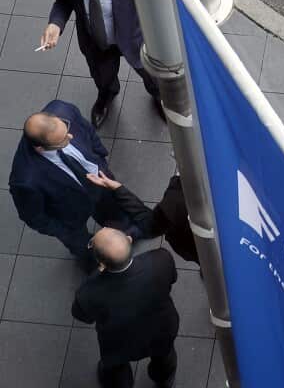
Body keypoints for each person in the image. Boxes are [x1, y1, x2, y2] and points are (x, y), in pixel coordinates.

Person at [40, 0, 159, 128]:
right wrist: (55, 23)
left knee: (153, 77)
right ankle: (106, 96)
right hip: (96, 41)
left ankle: (159, 98)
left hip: (134, 39)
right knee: (103, 78)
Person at [9, 101, 128, 271]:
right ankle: (93, 262)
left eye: (66, 130)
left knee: (115, 215)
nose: (70, 137)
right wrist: (64, 230)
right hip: (70, 216)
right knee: (83, 247)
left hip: (101, 185)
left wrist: (101, 161)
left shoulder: (64, 111)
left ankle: (119, 236)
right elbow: (33, 217)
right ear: (41, 149)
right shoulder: (25, 180)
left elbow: (88, 132)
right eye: (63, 140)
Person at [72, 226, 180, 388]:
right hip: (162, 328)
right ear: (129, 240)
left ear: (101, 264)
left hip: (120, 344)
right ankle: (164, 378)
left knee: (116, 372)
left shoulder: (89, 292)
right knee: (164, 356)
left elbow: (81, 315)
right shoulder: (161, 260)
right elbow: (172, 279)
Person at [86, 172, 199, 265]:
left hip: (195, 249)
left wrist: (118, 189)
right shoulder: (176, 197)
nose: (172, 154)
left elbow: (151, 224)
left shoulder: (174, 199)